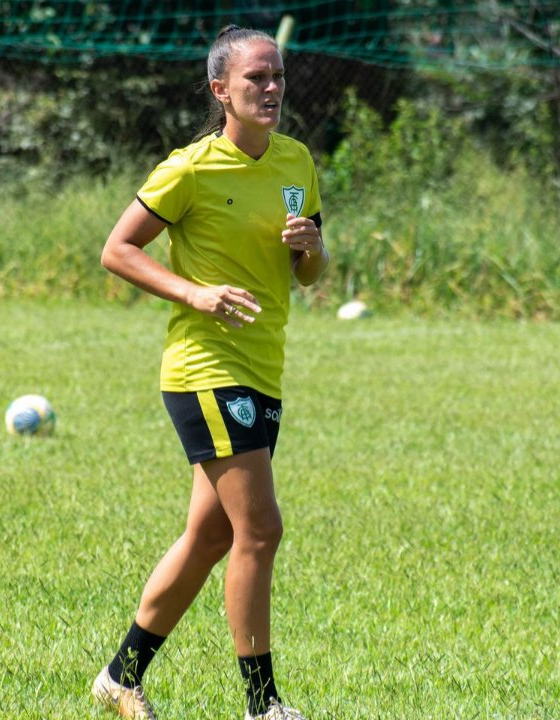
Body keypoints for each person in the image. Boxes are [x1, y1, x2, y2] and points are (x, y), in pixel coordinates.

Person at [91, 23, 328, 720]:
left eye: (278, 75)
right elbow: (117, 249)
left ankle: (118, 678)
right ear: (220, 90)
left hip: (263, 364)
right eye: (257, 78)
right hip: (204, 366)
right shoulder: (189, 167)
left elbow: (310, 273)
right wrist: (194, 292)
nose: (273, 88)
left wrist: (311, 246)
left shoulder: (295, 162)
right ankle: (263, 706)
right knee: (261, 531)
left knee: (212, 536)